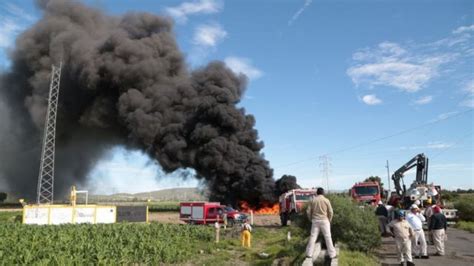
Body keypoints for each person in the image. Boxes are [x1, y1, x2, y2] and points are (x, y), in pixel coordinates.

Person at [305, 187, 337, 259]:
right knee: (328, 237)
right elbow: (331, 212)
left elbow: (308, 211)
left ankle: (309, 254)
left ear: (317, 193)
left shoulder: (313, 200)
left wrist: (311, 219)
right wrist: (329, 220)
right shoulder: (326, 200)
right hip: (325, 221)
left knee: (313, 237)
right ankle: (332, 254)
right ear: (323, 193)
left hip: (315, 221)